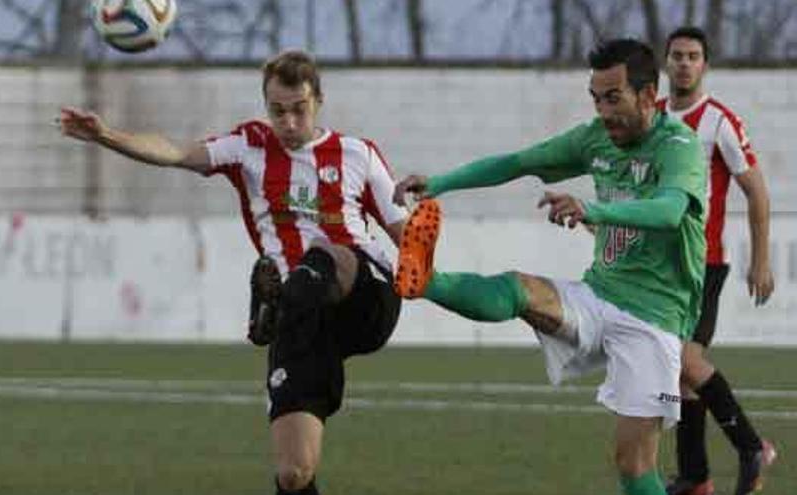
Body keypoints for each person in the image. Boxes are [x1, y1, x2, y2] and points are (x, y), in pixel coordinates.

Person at [58, 50, 407, 495]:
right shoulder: (249, 147)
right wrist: (107, 135)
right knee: (293, 474)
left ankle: (275, 308)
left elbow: (408, 236)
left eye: (299, 109)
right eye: (278, 111)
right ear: (266, 107)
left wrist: (429, 238)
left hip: (363, 295)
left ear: (318, 100)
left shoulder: (358, 153)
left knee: (321, 254)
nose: (289, 122)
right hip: (304, 320)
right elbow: (177, 153)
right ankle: (280, 310)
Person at [393, 39, 706, 495]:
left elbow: (669, 211)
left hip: (655, 318)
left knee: (635, 466)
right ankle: (425, 282)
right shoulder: (595, 138)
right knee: (520, 290)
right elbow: (518, 163)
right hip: (599, 295)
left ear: (648, 96)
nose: (602, 110)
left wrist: (594, 211)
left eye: (612, 97)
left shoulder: (679, 146)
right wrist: (440, 183)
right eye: (595, 98)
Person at [660, 26, 777, 495]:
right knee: (680, 370)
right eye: (677, 56)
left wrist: (761, 260)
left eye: (693, 56)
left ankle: (751, 447)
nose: (685, 63)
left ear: (704, 65)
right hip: (662, 266)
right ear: (666, 64)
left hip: (703, 262)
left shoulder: (719, 121)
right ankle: (694, 476)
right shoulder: (655, 118)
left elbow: (757, 190)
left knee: (686, 359)